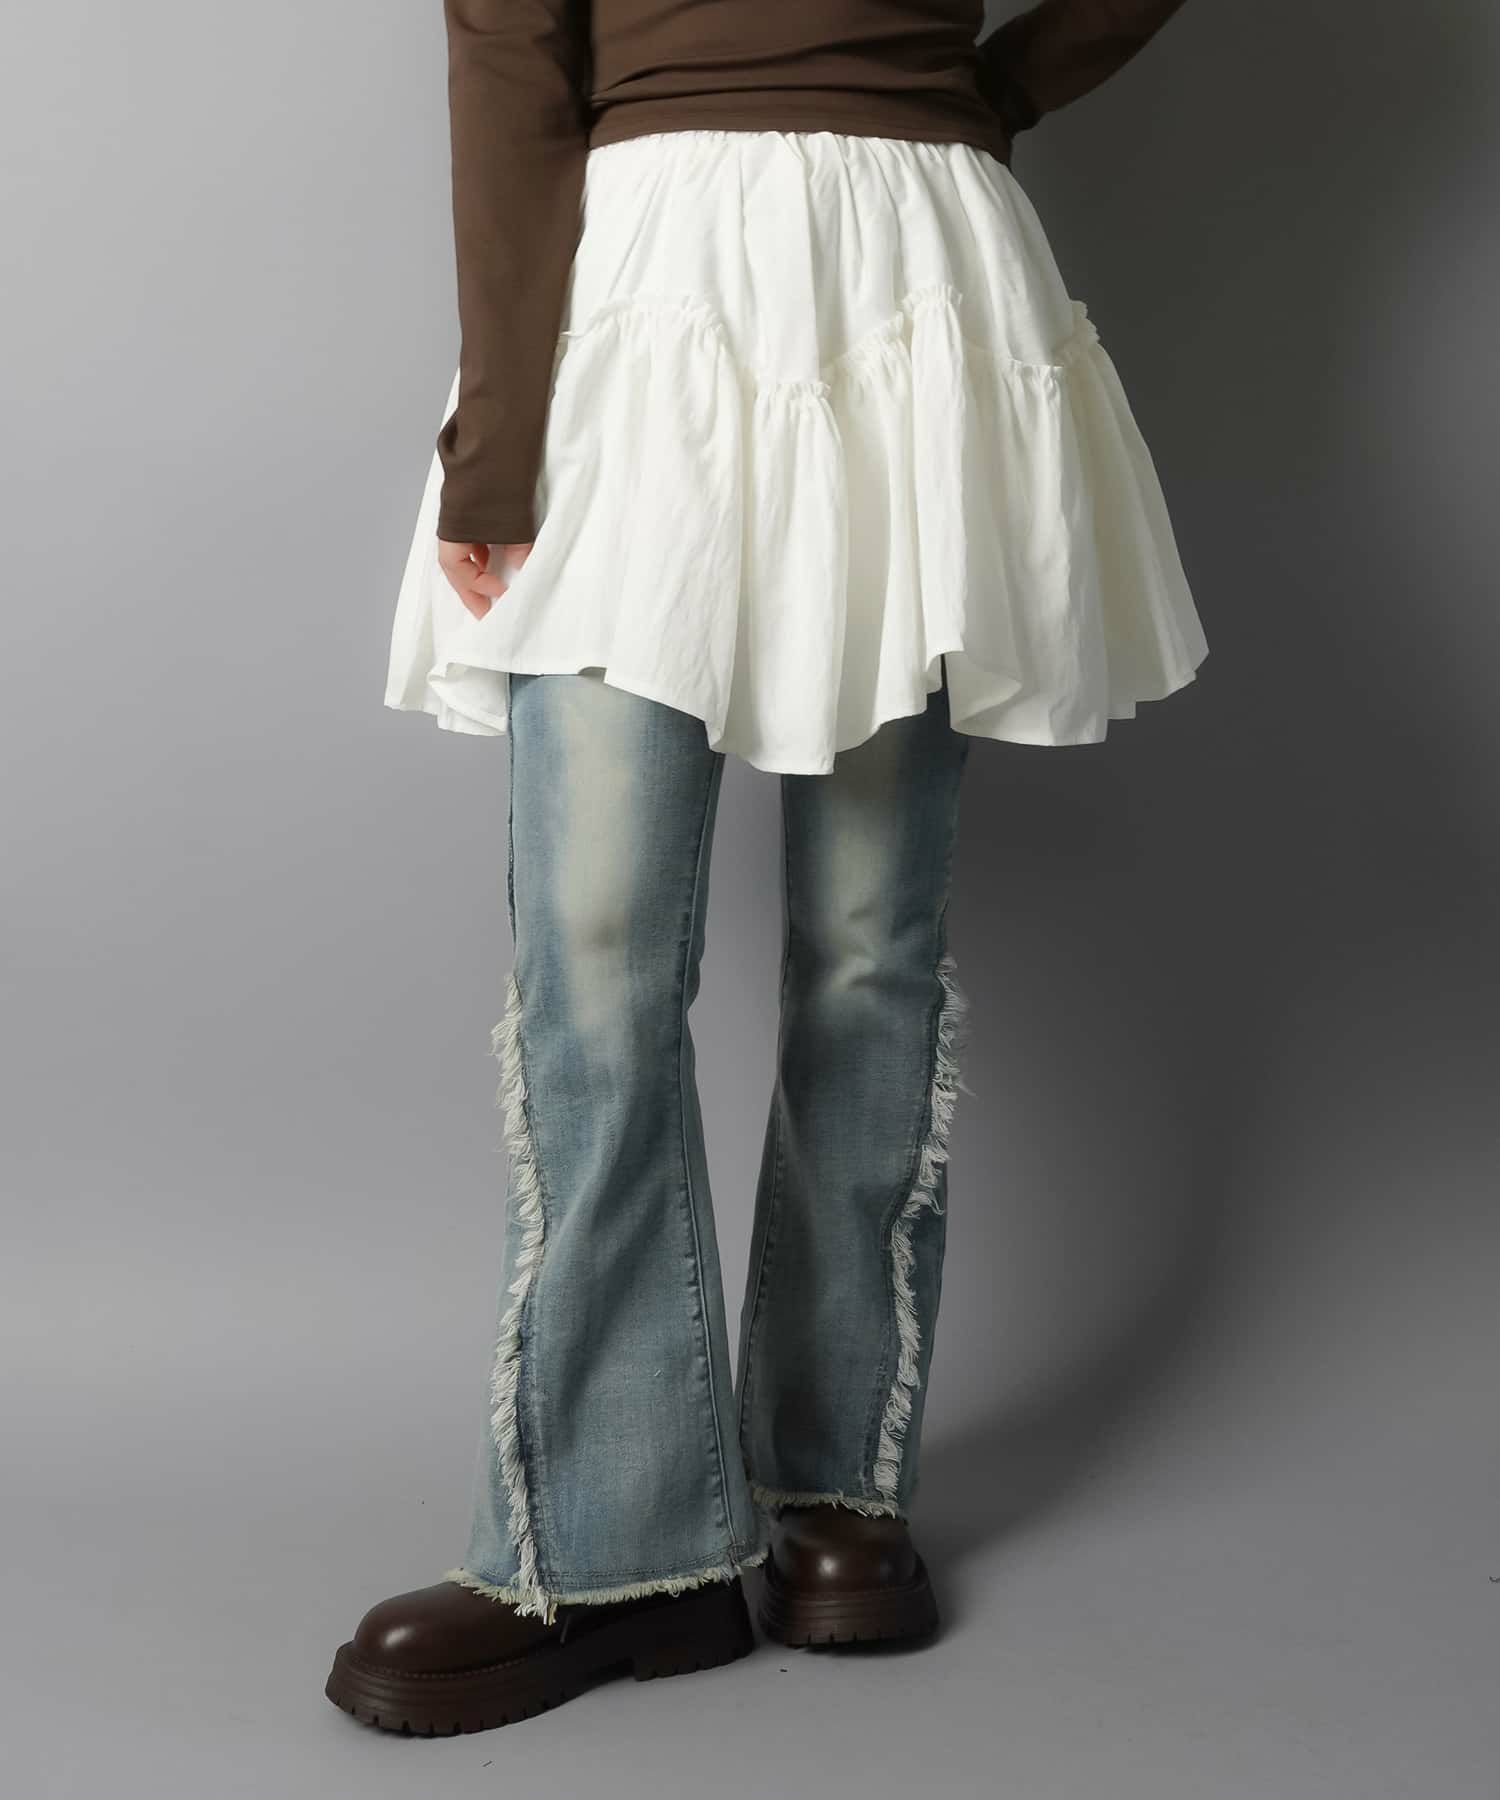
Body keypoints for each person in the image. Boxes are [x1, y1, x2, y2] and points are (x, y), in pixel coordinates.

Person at [327, 0, 1207, 1736]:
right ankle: (616, 1543)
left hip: (909, 273)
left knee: (872, 934)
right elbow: (512, 49)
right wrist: (501, 430)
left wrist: (981, 89)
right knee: (597, 949)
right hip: (653, 276)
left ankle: (839, 1488)